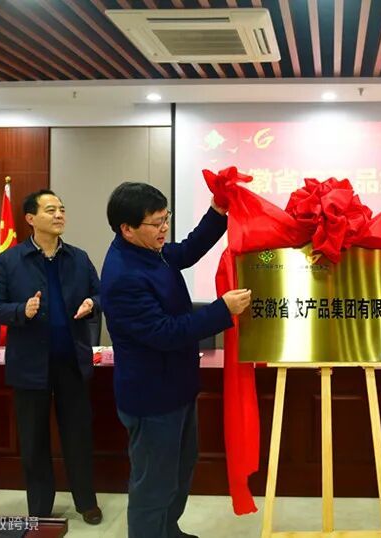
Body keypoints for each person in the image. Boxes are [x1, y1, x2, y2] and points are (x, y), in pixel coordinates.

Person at [100, 182, 251, 538]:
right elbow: (164, 332)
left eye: (166, 218)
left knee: (179, 472)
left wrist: (217, 212)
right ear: (127, 228)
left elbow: (186, 251)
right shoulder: (123, 275)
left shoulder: (150, 250)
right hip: (151, 399)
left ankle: (169, 530)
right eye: (156, 223)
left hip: (177, 388)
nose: (164, 229)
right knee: (153, 486)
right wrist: (222, 310)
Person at [0, 189, 103, 524]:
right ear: (30, 218)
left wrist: (93, 303)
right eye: (50, 210)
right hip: (30, 365)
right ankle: (39, 508)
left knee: (78, 436)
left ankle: (86, 502)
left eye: (62, 209)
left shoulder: (78, 258)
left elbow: (102, 293)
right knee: (34, 440)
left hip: (71, 362)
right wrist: (21, 310)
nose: (59, 215)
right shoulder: (10, 260)